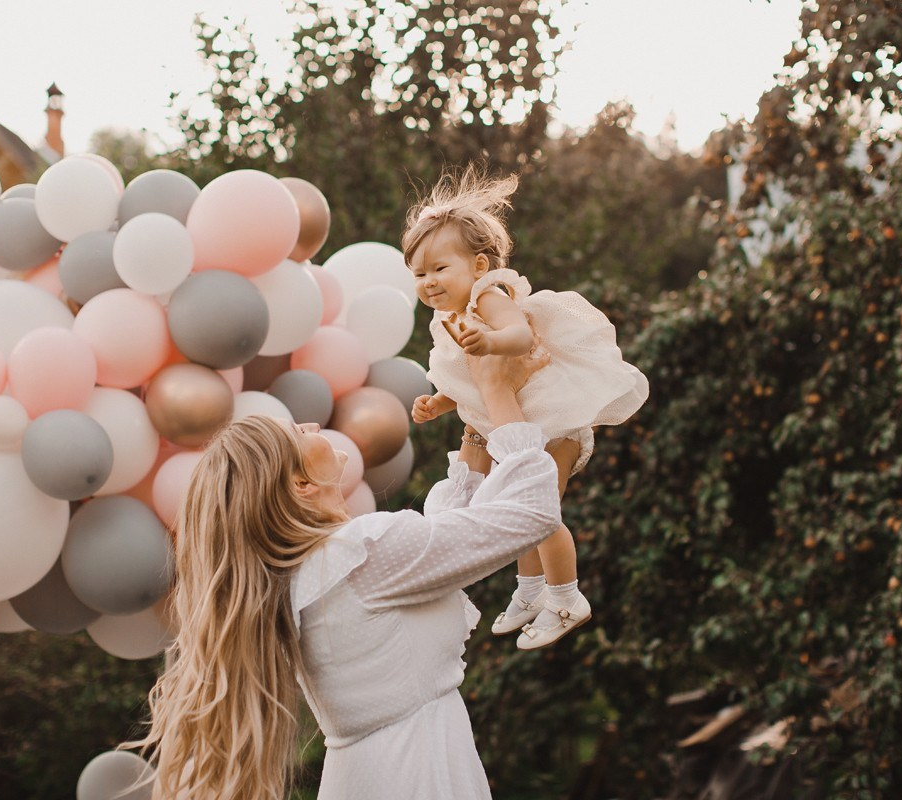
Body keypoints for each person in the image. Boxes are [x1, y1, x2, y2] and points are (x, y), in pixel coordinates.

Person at [127, 352, 563, 799]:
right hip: (416, 774)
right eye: (298, 432)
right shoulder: (359, 554)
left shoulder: (315, 570)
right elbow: (532, 511)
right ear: (300, 485)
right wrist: (497, 390)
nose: (313, 426)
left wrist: (475, 421)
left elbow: (444, 538)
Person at [403, 165, 649, 649]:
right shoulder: (448, 320)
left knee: (540, 512)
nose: (429, 281)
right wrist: (439, 401)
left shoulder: (488, 297)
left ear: (477, 266)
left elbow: (516, 337)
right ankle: (530, 589)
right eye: (418, 273)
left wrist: (491, 338)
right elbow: (466, 378)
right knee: (519, 510)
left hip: (551, 424)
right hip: (516, 426)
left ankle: (566, 596)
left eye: (439, 268)